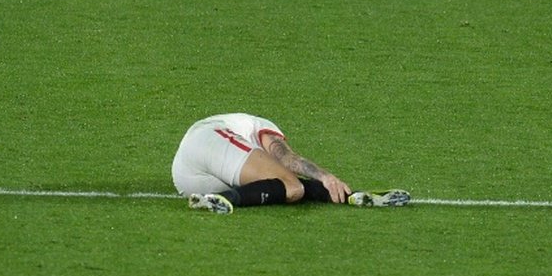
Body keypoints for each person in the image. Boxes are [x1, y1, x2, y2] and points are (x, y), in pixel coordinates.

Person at [172, 112, 410, 214]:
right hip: (210, 138)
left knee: (285, 187)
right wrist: (325, 176)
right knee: (292, 186)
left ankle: (353, 197)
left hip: (188, 178)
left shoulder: (246, 133)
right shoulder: (264, 128)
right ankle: (228, 200)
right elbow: (287, 159)